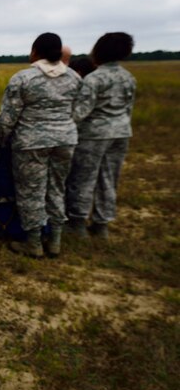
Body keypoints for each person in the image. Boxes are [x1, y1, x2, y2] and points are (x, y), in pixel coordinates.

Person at [0, 32, 81, 257]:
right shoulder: (74, 78)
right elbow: (78, 111)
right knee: (57, 188)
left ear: (35, 51)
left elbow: (8, 117)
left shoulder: (24, 78)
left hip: (31, 143)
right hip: (65, 140)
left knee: (31, 191)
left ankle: (33, 243)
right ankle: (55, 240)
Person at [65, 32, 137, 239]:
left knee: (83, 177)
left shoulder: (95, 78)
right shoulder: (128, 78)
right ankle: (101, 223)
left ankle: (77, 222)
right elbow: (128, 109)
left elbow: (80, 112)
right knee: (109, 178)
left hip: (94, 134)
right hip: (121, 133)